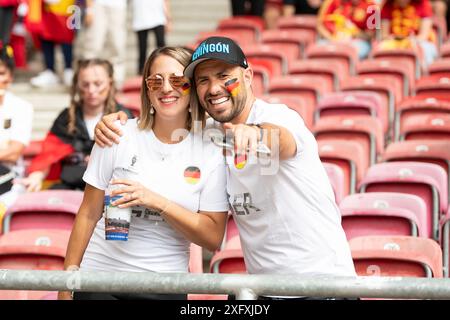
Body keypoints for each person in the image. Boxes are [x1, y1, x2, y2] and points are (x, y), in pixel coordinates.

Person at [95, 37, 357, 300]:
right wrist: (115, 121)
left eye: (224, 76)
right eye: (203, 80)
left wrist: (254, 133)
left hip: (324, 287)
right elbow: (159, 127)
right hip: (264, 291)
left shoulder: (278, 117)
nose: (214, 88)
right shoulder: (209, 137)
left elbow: (283, 141)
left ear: (248, 76)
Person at [58, 47, 229, 300]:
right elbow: (88, 213)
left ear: (192, 87)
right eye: (155, 80)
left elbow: (212, 238)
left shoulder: (211, 149)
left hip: (164, 285)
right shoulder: (117, 134)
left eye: (177, 80)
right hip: (101, 278)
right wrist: (66, 282)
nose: (166, 88)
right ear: (147, 89)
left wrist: (156, 201)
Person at [17, 59, 132, 193]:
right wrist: (36, 176)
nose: (91, 90)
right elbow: (50, 152)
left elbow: (130, 158)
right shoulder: (66, 117)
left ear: (110, 83)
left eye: (98, 84)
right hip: (71, 185)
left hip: (110, 189)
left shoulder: (123, 117)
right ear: (77, 85)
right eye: (85, 84)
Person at [0, 43, 33, 208]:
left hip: (9, 180)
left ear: (10, 77)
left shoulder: (21, 107)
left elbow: (13, 152)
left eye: (1, 73)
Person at [80, 0, 127, 87]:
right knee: (93, 45)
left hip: (118, 6)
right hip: (98, 5)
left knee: (118, 45)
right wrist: (89, 10)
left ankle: (117, 84)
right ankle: (87, 80)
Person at [29, 0, 76, 88]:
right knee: (46, 37)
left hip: (65, 8)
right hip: (46, 9)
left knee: (66, 38)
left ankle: (68, 70)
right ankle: (50, 71)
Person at [380, 0, 438, 67]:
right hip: (394, 42)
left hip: (419, 41)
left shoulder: (423, 3)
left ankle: (424, 75)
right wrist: (391, 38)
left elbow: (424, 36)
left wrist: (411, 41)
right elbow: (384, 35)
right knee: (380, 47)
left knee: (424, 48)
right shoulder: (387, 5)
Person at [132, 0, 171, 75]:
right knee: (142, 48)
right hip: (141, 16)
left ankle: (164, 65)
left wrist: (168, 18)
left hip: (158, 16)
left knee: (161, 45)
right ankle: (141, 71)